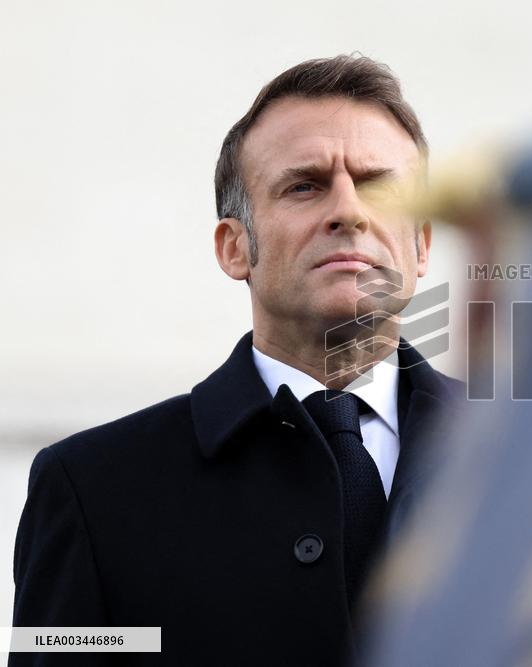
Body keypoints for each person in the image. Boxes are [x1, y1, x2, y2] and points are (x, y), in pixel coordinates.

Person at [10, 55, 463, 665]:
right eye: (304, 185)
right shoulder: (92, 490)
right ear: (234, 247)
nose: (349, 211)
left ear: (422, 244)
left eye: (379, 186)